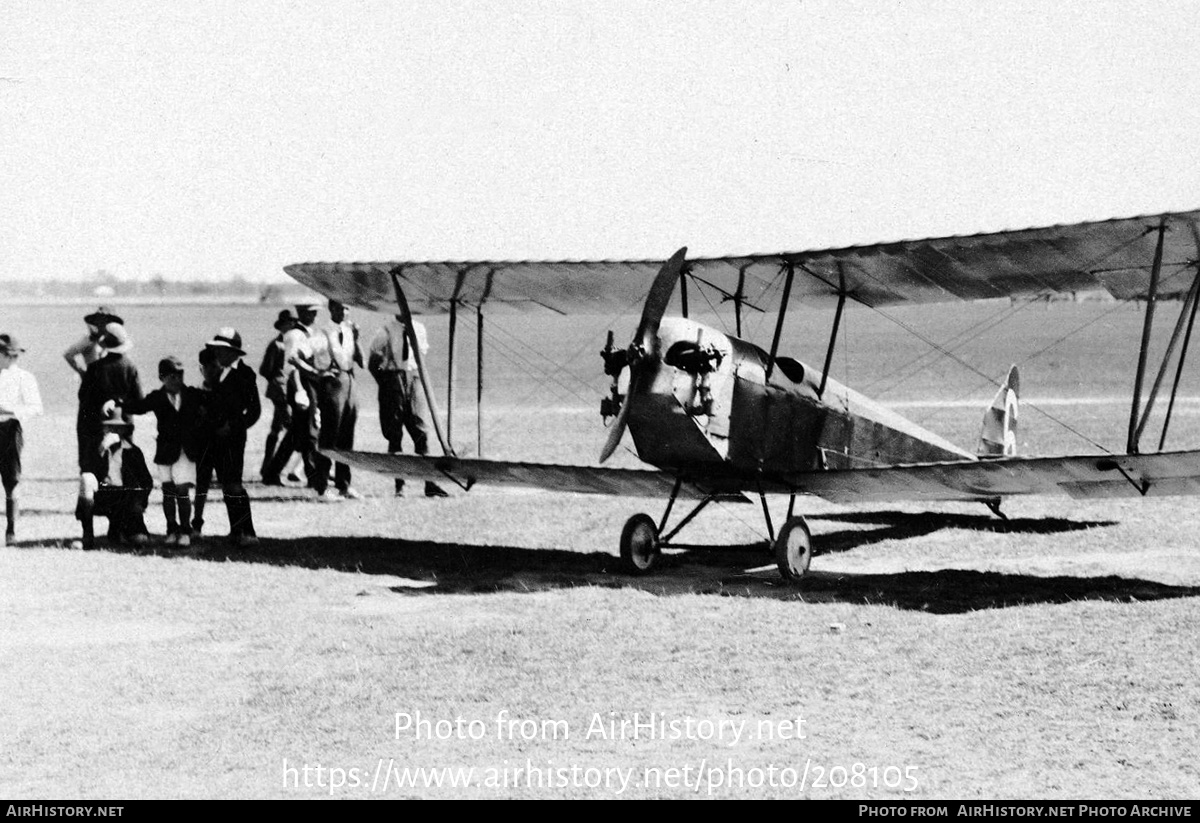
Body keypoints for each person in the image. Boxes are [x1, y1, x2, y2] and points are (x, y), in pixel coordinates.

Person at [126, 356, 205, 547]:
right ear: (162, 377)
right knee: (168, 492)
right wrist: (118, 402)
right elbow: (138, 407)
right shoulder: (157, 397)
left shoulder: (193, 394)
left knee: (182, 491)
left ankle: (185, 530)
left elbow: (211, 403)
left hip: (185, 451)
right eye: (172, 375)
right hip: (165, 451)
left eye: (180, 374)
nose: (177, 379)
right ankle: (171, 528)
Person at [368, 314, 447, 498]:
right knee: (394, 434)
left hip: (413, 378)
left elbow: (421, 358)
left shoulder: (419, 328)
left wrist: (414, 380)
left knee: (421, 431)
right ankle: (400, 485)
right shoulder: (385, 330)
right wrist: (386, 383)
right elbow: (373, 363)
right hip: (392, 379)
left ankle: (430, 483)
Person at [203, 328, 261, 548]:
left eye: (221, 349)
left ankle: (249, 531)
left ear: (233, 351)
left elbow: (254, 411)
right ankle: (236, 530)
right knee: (226, 485)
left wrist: (234, 427)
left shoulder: (246, 375)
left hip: (234, 439)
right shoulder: (217, 372)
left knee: (234, 485)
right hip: (216, 437)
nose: (217, 352)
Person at [75, 403, 152, 550]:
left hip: (126, 500)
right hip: (103, 496)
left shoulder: (133, 451)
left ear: (123, 430)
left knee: (140, 539)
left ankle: (119, 529)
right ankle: (88, 535)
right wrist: (101, 451)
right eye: (108, 427)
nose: (112, 431)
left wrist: (138, 503)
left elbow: (146, 482)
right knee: (86, 478)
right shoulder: (95, 448)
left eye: (117, 427)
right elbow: (86, 471)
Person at [309, 299, 364, 500]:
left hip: (350, 380)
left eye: (346, 308)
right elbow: (302, 355)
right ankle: (321, 487)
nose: (343, 312)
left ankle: (344, 484)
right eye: (339, 308)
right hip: (333, 383)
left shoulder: (349, 331)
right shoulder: (323, 332)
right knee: (329, 435)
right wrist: (319, 372)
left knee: (347, 436)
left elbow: (362, 362)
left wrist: (357, 339)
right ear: (331, 309)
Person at [263, 301, 321, 489]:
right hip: (300, 386)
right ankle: (313, 476)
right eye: (310, 313)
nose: (313, 316)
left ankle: (272, 473)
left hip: (306, 385)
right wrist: (300, 392)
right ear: (301, 313)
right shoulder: (295, 335)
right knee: (310, 432)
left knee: (296, 433)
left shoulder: (308, 334)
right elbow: (291, 366)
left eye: (314, 313)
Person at [77, 323, 144, 477]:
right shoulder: (130, 367)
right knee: (123, 466)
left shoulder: (94, 368)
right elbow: (139, 401)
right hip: (124, 424)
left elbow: (83, 397)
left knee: (99, 468)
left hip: (99, 425)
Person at [0, 334, 43, 546]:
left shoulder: (24, 378)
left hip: (9, 429)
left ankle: (11, 530)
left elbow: (36, 408)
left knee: (11, 480)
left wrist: (8, 410)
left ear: (7, 355)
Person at [259, 309, 298, 483]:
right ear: (283, 325)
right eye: (288, 323)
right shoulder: (277, 345)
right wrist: (278, 379)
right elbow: (264, 369)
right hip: (280, 392)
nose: (291, 325)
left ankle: (267, 467)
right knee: (290, 429)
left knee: (276, 429)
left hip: (284, 391)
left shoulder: (287, 343)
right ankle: (273, 470)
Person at [63, 306, 122, 377]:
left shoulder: (110, 339)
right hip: (95, 380)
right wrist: (81, 372)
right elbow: (68, 354)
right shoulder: (89, 340)